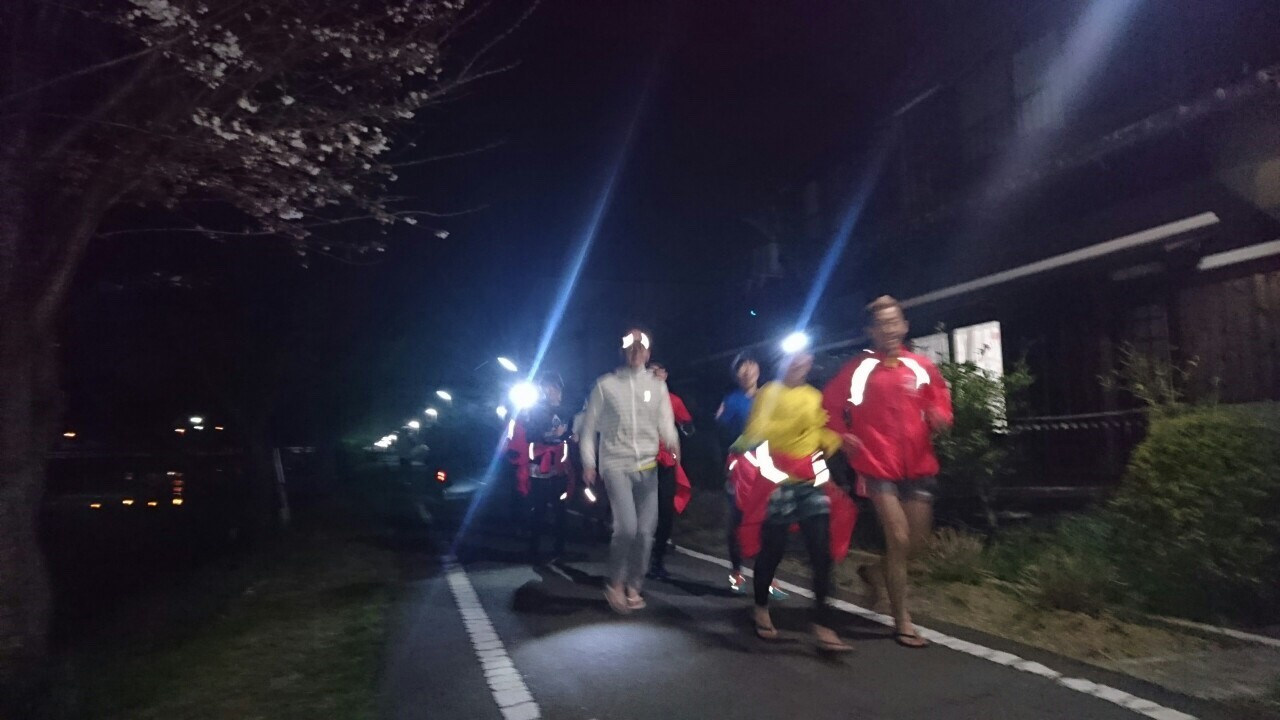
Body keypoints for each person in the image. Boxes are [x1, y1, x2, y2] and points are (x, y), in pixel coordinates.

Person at [822, 295, 952, 649]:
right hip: (876, 465)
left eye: (894, 322)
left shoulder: (921, 366)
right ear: (871, 331)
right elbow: (828, 405)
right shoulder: (859, 369)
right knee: (898, 538)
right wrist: (841, 435)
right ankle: (902, 620)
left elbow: (939, 399)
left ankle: (874, 573)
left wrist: (941, 416)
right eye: (882, 324)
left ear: (905, 326)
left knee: (917, 544)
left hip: (919, 465)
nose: (889, 329)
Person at [731, 347, 855, 652]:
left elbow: (819, 433)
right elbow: (756, 432)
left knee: (821, 552)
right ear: (783, 362)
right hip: (777, 481)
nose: (801, 363)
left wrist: (835, 440)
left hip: (811, 480)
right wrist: (795, 428)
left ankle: (823, 622)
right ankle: (761, 607)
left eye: (806, 359)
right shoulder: (768, 393)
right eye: (795, 359)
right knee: (773, 549)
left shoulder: (813, 396)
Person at [579, 327, 680, 614]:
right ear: (622, 352)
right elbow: (588, 428)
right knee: (627, 528)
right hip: (615, 464)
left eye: (641, 347)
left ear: (648, 353)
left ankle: (635, 584)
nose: (636, 351)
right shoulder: (605, 385)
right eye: (630, 347)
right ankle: (615, 583)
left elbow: (665, 422)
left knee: (646, 532)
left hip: (648, 466)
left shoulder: (657, 386)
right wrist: (589, 462)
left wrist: (673, 443)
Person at [716, 355, 788, 599]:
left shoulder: (770, 396)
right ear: (735, 375)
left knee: (769, 522)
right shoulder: (732, 400)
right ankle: (736, 572)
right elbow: (722, 433)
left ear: (758, 368)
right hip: (740, 466)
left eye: (750, 365)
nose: (747, 371)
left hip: (768, 465)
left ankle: (768, 576)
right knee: (737, 521)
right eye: (741, 368)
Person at [509, 372, 576, 564]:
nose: (551, 391)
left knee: (560, 509)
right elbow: (531, 434)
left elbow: (570, 433)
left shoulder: (566, 409)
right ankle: (534, 549)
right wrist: (552, 434)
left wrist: (568, 436)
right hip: (540, 465)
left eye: (554, 387)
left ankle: (559, 550)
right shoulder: (536, 410)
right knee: (539, 508)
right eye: (548, 387)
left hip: (560, 465)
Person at [646, 361, 694, 580]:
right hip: (641, 462)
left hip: (666, 463)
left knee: (665, 512)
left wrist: (686, 429)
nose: (655, 375)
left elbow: (688, 426)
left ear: (665, 375)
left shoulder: (674, 400)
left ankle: (657, 560)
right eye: (650, 371)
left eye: (659, 371)